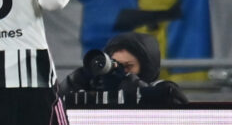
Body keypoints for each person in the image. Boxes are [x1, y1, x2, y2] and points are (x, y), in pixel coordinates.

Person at [59, 32, 189, 106]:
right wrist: (72, 83)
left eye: (127, 66)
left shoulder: (164, 90)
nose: (119, 71)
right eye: (114, 64)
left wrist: (133, 88)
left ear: (147, 67)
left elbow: (172, 101)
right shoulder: (98, 92)